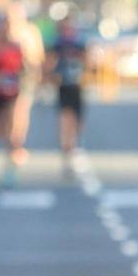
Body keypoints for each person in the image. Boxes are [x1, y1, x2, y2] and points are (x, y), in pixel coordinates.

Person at [0, 6, 29, 187]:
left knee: (12, 128)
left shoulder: (16, 46)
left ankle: (10, 164)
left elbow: (23, 67)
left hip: (12, 92)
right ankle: (7, 146)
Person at [50, 10, 89, 166]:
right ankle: (66, 147)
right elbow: (50, 62)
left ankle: (73, 142)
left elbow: (87, 60)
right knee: (65, 117)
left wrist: (85, 76)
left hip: (76, 86)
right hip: (63, 86)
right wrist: (52, 76)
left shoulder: (79, 41)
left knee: (77, 121)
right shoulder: (57, 43)